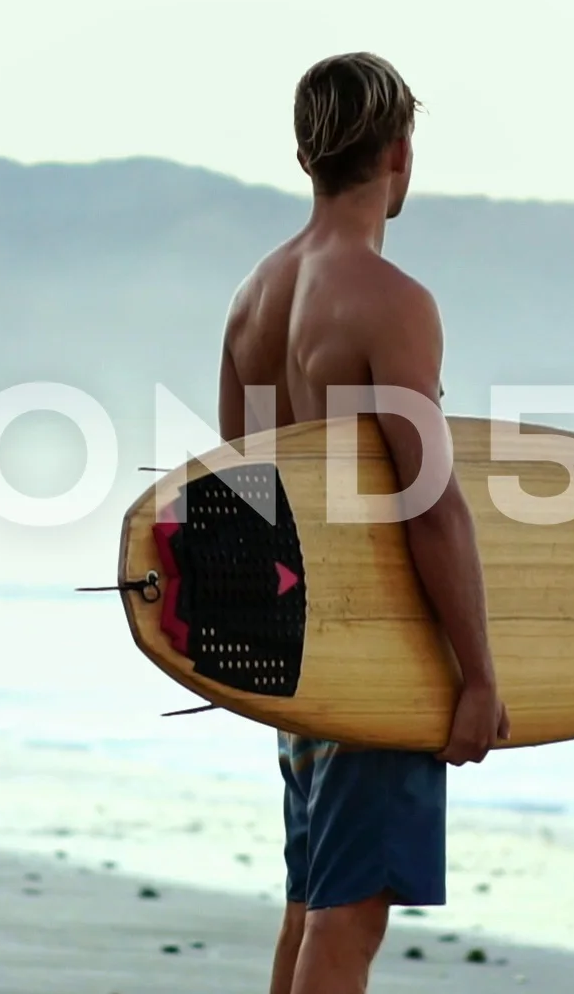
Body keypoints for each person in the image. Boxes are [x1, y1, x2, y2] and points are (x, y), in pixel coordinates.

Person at [216, 51, 511, 994]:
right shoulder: (391, 302)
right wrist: (478, 674)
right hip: (379, 644)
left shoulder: (253, 300)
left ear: (307, 158)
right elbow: (429, 505)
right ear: (399, 152)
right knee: (348, 917)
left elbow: (245, 495)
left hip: (300, 649)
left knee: (314, 901)